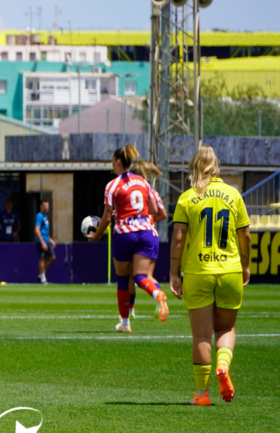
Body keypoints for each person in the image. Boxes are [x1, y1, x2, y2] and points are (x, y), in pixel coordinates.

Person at [169, 145, 251, 406]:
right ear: (217, 168)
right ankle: (223, 366)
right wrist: (246, 266)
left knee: (202, 336)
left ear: (194, 167)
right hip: (229, 271)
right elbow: (245, 236)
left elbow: (179, 239)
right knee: (226, 328)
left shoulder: (186, 198)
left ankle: (202, 394)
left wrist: (173, 272)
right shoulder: (233, 194)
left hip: (198, 272)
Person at [86, 145, 168, 331]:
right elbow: (154, 210)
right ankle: (156, 293)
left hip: (125, 234)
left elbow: (107, 218)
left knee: (123, 279)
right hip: (147, 233)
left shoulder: (113, 185)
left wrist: (97, 236)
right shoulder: (142, 181)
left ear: (117, 161)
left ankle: (125, 323)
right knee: (140, 276)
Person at [128, 160, 167, 318]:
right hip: (153, 235)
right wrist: (150, 221)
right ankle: (159, 303)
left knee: (133, 276)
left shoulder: (131, 192)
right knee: (148, 275)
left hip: (137, 235)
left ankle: (130, 310)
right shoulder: (153, 192)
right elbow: (163, 214)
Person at [34, 200, 55, 285]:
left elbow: (45, 230)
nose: (46, 207)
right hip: (41, 241)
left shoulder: (46, 216)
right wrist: (42, 242)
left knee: (52, 257)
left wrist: (50, 239)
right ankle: (43, 279)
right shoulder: (39, 216)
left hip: (46, 240)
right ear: (41, 206)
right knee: (42, 259)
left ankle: (41, 274)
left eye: (47, 206)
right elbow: (37, 230)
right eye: (44, 206)